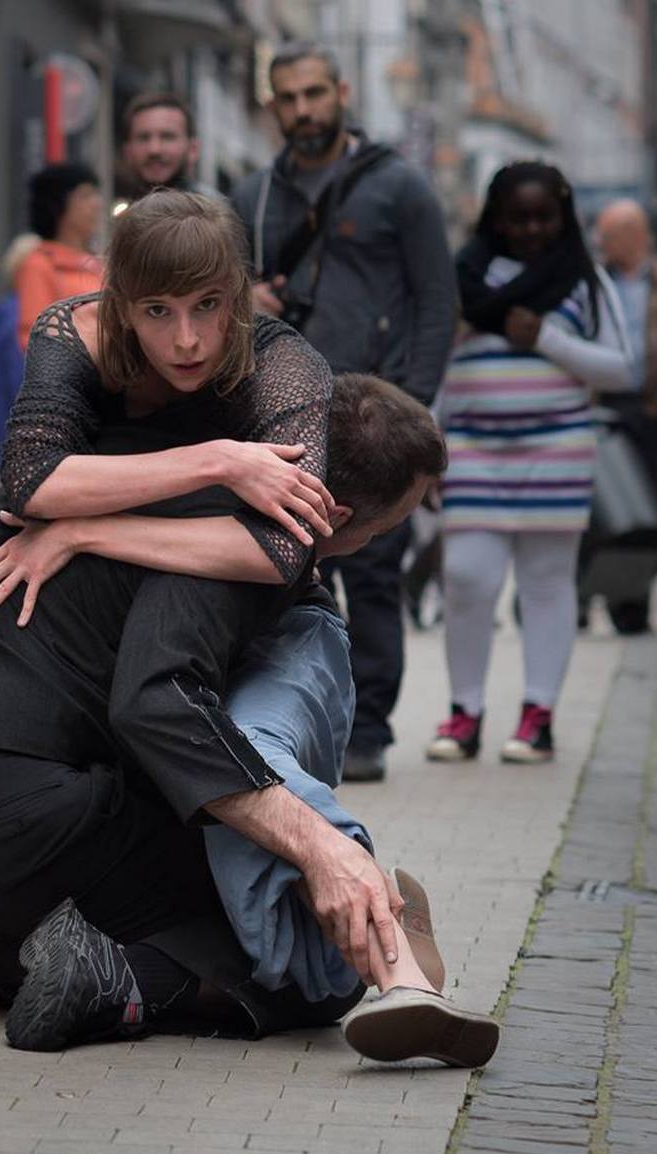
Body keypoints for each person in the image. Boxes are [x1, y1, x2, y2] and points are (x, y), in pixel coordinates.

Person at [0, 371, 497, 1065]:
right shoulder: (255, 540)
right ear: (337, 518)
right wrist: (322, 850)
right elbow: (155, 706)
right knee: (297, 953)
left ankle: (13, 962)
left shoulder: (112, 459)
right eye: (394, 523)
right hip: (2, 831)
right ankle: (129, 981)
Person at [230, 41, 457, 783]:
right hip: (287, 419)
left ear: (342, 91)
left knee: (376, 572)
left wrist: (415, 409)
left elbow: (436, 301)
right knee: (286, 569)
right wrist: (247, 303)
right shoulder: (257, 195)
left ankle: (370, 731)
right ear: (272, 105)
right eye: (288, 98)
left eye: (314, 94)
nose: (302, 110)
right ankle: (288, 724)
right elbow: (223, 295)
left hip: (378, 414)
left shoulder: (397, 185)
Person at [427, 162, 633, 766]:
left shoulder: (585, 280)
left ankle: (537, 716)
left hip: (557, 452)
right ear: (495, 216)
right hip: (471, 451)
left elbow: (623, 367)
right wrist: (427, 444)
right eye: (517, 216)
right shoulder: (463, 278)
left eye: (543, 216)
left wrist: (545, 337)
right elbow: (436, 360)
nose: (531, 228)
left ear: (562, 216)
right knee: (466, 578)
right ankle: (465, 712)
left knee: (546, 584)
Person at [593, 199, 657, 634]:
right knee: (602, 509)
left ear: (633, 237)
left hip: (655, 411)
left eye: (607, 236)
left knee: (648, 511)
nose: (599, 242)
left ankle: (633, 608)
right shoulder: (593, 284)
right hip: (601, 410)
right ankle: (587, 600)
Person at [14, 163, 103, 351]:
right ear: (58, 203)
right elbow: (35, 339)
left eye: (96, 194)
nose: (97, 204)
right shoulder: (39, 265)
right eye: (85, 195)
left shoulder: (99, 263)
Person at [0, 233, 40, 469]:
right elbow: (23, 384)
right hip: (21, 440)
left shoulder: (6, 312)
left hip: (4, 434)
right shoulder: (21, 317)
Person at [118, 92, 212, 199]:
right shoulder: (108, 213)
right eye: (143, 138)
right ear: (127, 151)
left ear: (193, 150)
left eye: (167, 137)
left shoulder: (219, 213)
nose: (154, 149)